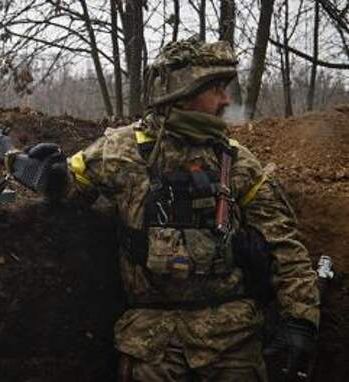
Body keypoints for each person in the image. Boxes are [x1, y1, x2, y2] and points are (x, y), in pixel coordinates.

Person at [25, 37, 320, 381]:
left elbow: (285, 246)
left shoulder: (237, 162)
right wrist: (48, 173)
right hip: (152, 344)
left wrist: (301, 319)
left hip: (233, 341)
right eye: (215, 89)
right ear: (182, 91)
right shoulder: (120, 150)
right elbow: (70, 191)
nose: (226, 100)